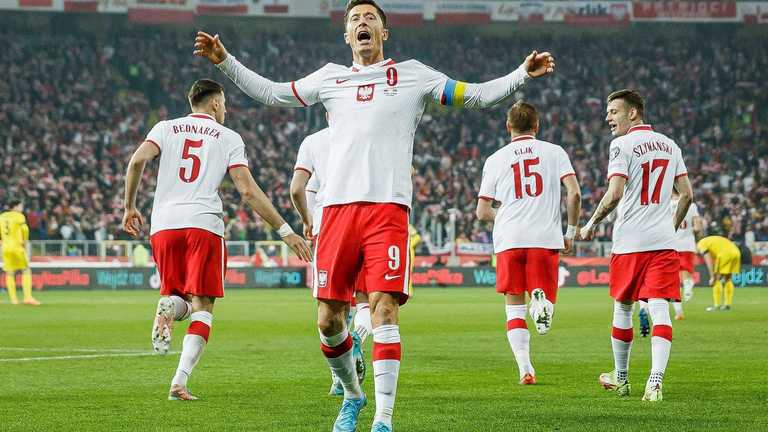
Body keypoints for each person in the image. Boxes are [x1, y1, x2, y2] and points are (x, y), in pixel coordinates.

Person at [195, 0, 554, 429]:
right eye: (354, 20)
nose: (361, 24)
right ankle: (353, 394)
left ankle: (383, 419)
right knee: (329, 320)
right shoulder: (330, 78)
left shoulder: (413, 75)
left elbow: (472, 95)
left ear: (385, 33)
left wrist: (519, 74)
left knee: (383, 310)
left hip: (387, 210)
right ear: (346, 35)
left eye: (370, 19)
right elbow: (273, 92)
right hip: (337, 212)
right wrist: (226, 62)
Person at [122, 79, 311, 401]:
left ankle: (170, 307)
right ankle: (179, 382)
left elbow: (137, 160)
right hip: (203, 225)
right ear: (214, 103)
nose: (225, 109)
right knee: (203, 307)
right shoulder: (227, 137)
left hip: (164, 225)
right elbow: (248, 190)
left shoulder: (165, 128)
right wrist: (285, 230)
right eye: (224, 104)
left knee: (178, 296)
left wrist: (129, 207)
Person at [581, 89, 692, 402]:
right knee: (659, 310)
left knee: (623, 308)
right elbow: (686, 194)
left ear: (633, 113)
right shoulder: (671, 145)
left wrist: (591, 224)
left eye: (614, 112)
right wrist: (668, 228)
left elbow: (614, 193)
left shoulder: (622, 144)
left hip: (630, 242)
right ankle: (655, 382)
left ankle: (623, 379)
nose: (608, 118)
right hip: (663, 244)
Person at [476, 101, 580, 385]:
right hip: (544, 238)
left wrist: (505, 213)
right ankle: (540, 305)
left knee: (513, 309)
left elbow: (482, 212)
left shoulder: (495, 158)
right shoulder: (555, 152)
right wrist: (570, 231)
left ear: (508, 126)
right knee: (544, 300)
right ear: (537, 126)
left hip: (509, 239)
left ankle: (525, 369)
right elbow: (574, 193)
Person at [289, 126, 367, 396]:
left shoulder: (314, 141)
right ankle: (358, 338)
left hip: (327, 228)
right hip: (368, 222)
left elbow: (299, 189)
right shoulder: (366, 133)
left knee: (331, 309)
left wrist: (307, 221)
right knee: (368, 302)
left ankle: (339, 378)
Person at [669, 190, 702, 319]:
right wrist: (691, 231)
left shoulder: (667, 204)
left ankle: (679, 312)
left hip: (671, 244)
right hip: (688, 243)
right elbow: (698, 226)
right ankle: (688, 284)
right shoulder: (691, 204)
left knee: (672, 279)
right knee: (686, 271)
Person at [0, 199, 40, 305]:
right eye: (20, 206)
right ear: (16, 207)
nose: (21, 208)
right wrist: (25, 241)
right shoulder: (19, 216)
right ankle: (27, 297)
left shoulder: (2, 216)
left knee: (10, 272)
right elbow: (25, 229)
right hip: (17, 246)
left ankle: (14, 300)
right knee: (26, 270)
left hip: (5, 247)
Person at [696, 235, 741, 311]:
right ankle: (727, 305)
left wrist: (712, 276)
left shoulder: (700, 244)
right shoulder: (710, 240)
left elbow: (708, 260)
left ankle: (716, 306)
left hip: (725, 254)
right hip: (736, 252)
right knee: (728, 279)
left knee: (716, 280)